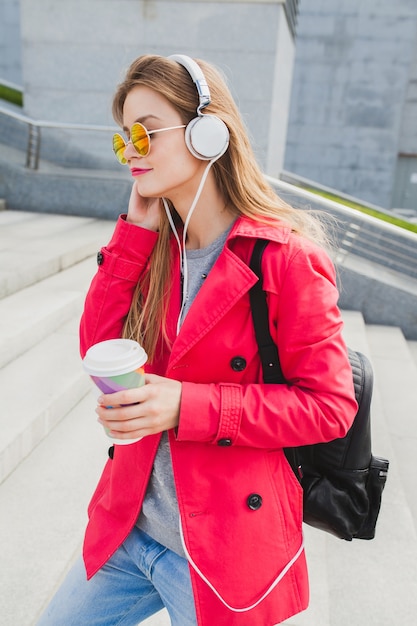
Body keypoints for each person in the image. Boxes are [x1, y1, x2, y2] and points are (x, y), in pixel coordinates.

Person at [37, 53, 358, 626]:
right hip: (132, 530)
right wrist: (133, 238)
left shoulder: (288, 260)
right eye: (122, 139)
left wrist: (185, 405)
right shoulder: (160, 247)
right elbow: (98, 347)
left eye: (145, 132)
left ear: (209, 133)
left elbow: (330, 408)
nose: (131, 150)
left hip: (221, 547)